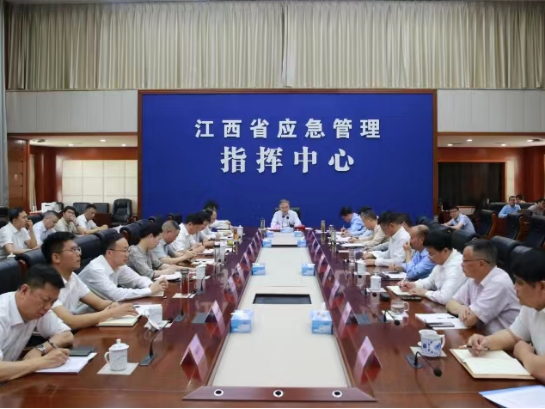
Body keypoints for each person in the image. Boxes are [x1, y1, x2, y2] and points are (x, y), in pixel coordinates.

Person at [466, 249, 545, 383]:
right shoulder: (530, 306)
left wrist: (523, 352)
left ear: (542, 286)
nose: (515, 287)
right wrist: (486, 342)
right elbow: (513, 335)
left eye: (520, 283)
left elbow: (542, 370)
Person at [42, 233, 137, 330]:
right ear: (56, 257)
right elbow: (70, 322)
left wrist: (112, 305)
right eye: (73, 250)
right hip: (51, 336)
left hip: (70, 331)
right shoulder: (46, 285)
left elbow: (99, 303)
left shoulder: (73, 277)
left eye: (78, 249)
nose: (79, 253)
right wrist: (111, 313)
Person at [0, 264, 74, 382]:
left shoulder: (37, 310)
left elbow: (66, 335)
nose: (48, 307)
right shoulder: (2, 313)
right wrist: (44, 362)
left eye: (53, 302)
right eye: (45, 300)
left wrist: (40, 349)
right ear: (24, 291)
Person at [446, 240, 520, 335]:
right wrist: (461, 308)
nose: (461, 264)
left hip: (503, 342)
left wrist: (464, 311)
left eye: (465, 261)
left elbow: (469, 320)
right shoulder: (474, 278)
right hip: (481, 336)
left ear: (481, 263)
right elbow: (450, 303)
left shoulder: (499, 282)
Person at [78, 233, 168, 302]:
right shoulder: (95, 270)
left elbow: (137, 279)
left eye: (127, 250)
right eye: (124, 251)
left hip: (105, 311)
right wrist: (149, 290)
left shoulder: (119, 265)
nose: (127, 254)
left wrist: (152, 285)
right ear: (109, 253)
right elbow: (116, 295)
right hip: (83, 316)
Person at [401, 230, 466, 305]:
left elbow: (445, 298)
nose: (428, 257)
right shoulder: (442, 260)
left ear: (445, 251)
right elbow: (430, 281)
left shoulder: (456, 266)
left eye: (431, 253)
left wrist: (425, 292)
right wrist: (414, 285)